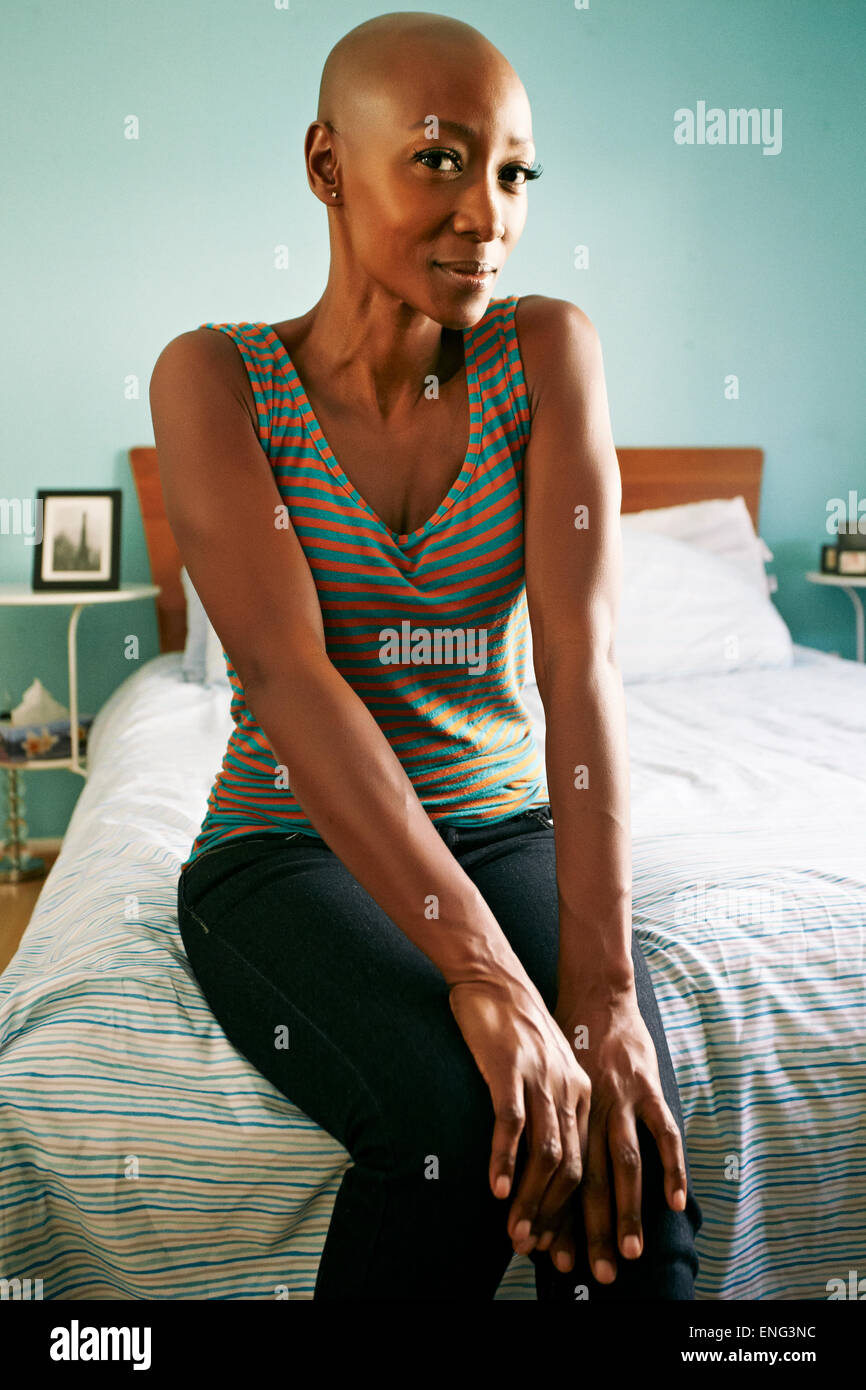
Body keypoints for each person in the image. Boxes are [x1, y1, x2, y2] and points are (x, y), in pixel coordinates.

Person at [150, 10, 703, 1300]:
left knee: (622, 1150)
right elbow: (290, 680)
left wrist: (601, 994)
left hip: (506, 822)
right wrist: (486, 975)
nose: (488, 214)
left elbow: (582, 664)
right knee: (463, 1137)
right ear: (328, 165)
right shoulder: (214, 379)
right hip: (286, 849)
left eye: (515, 172)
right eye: (442, 160)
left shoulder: (548, 351)